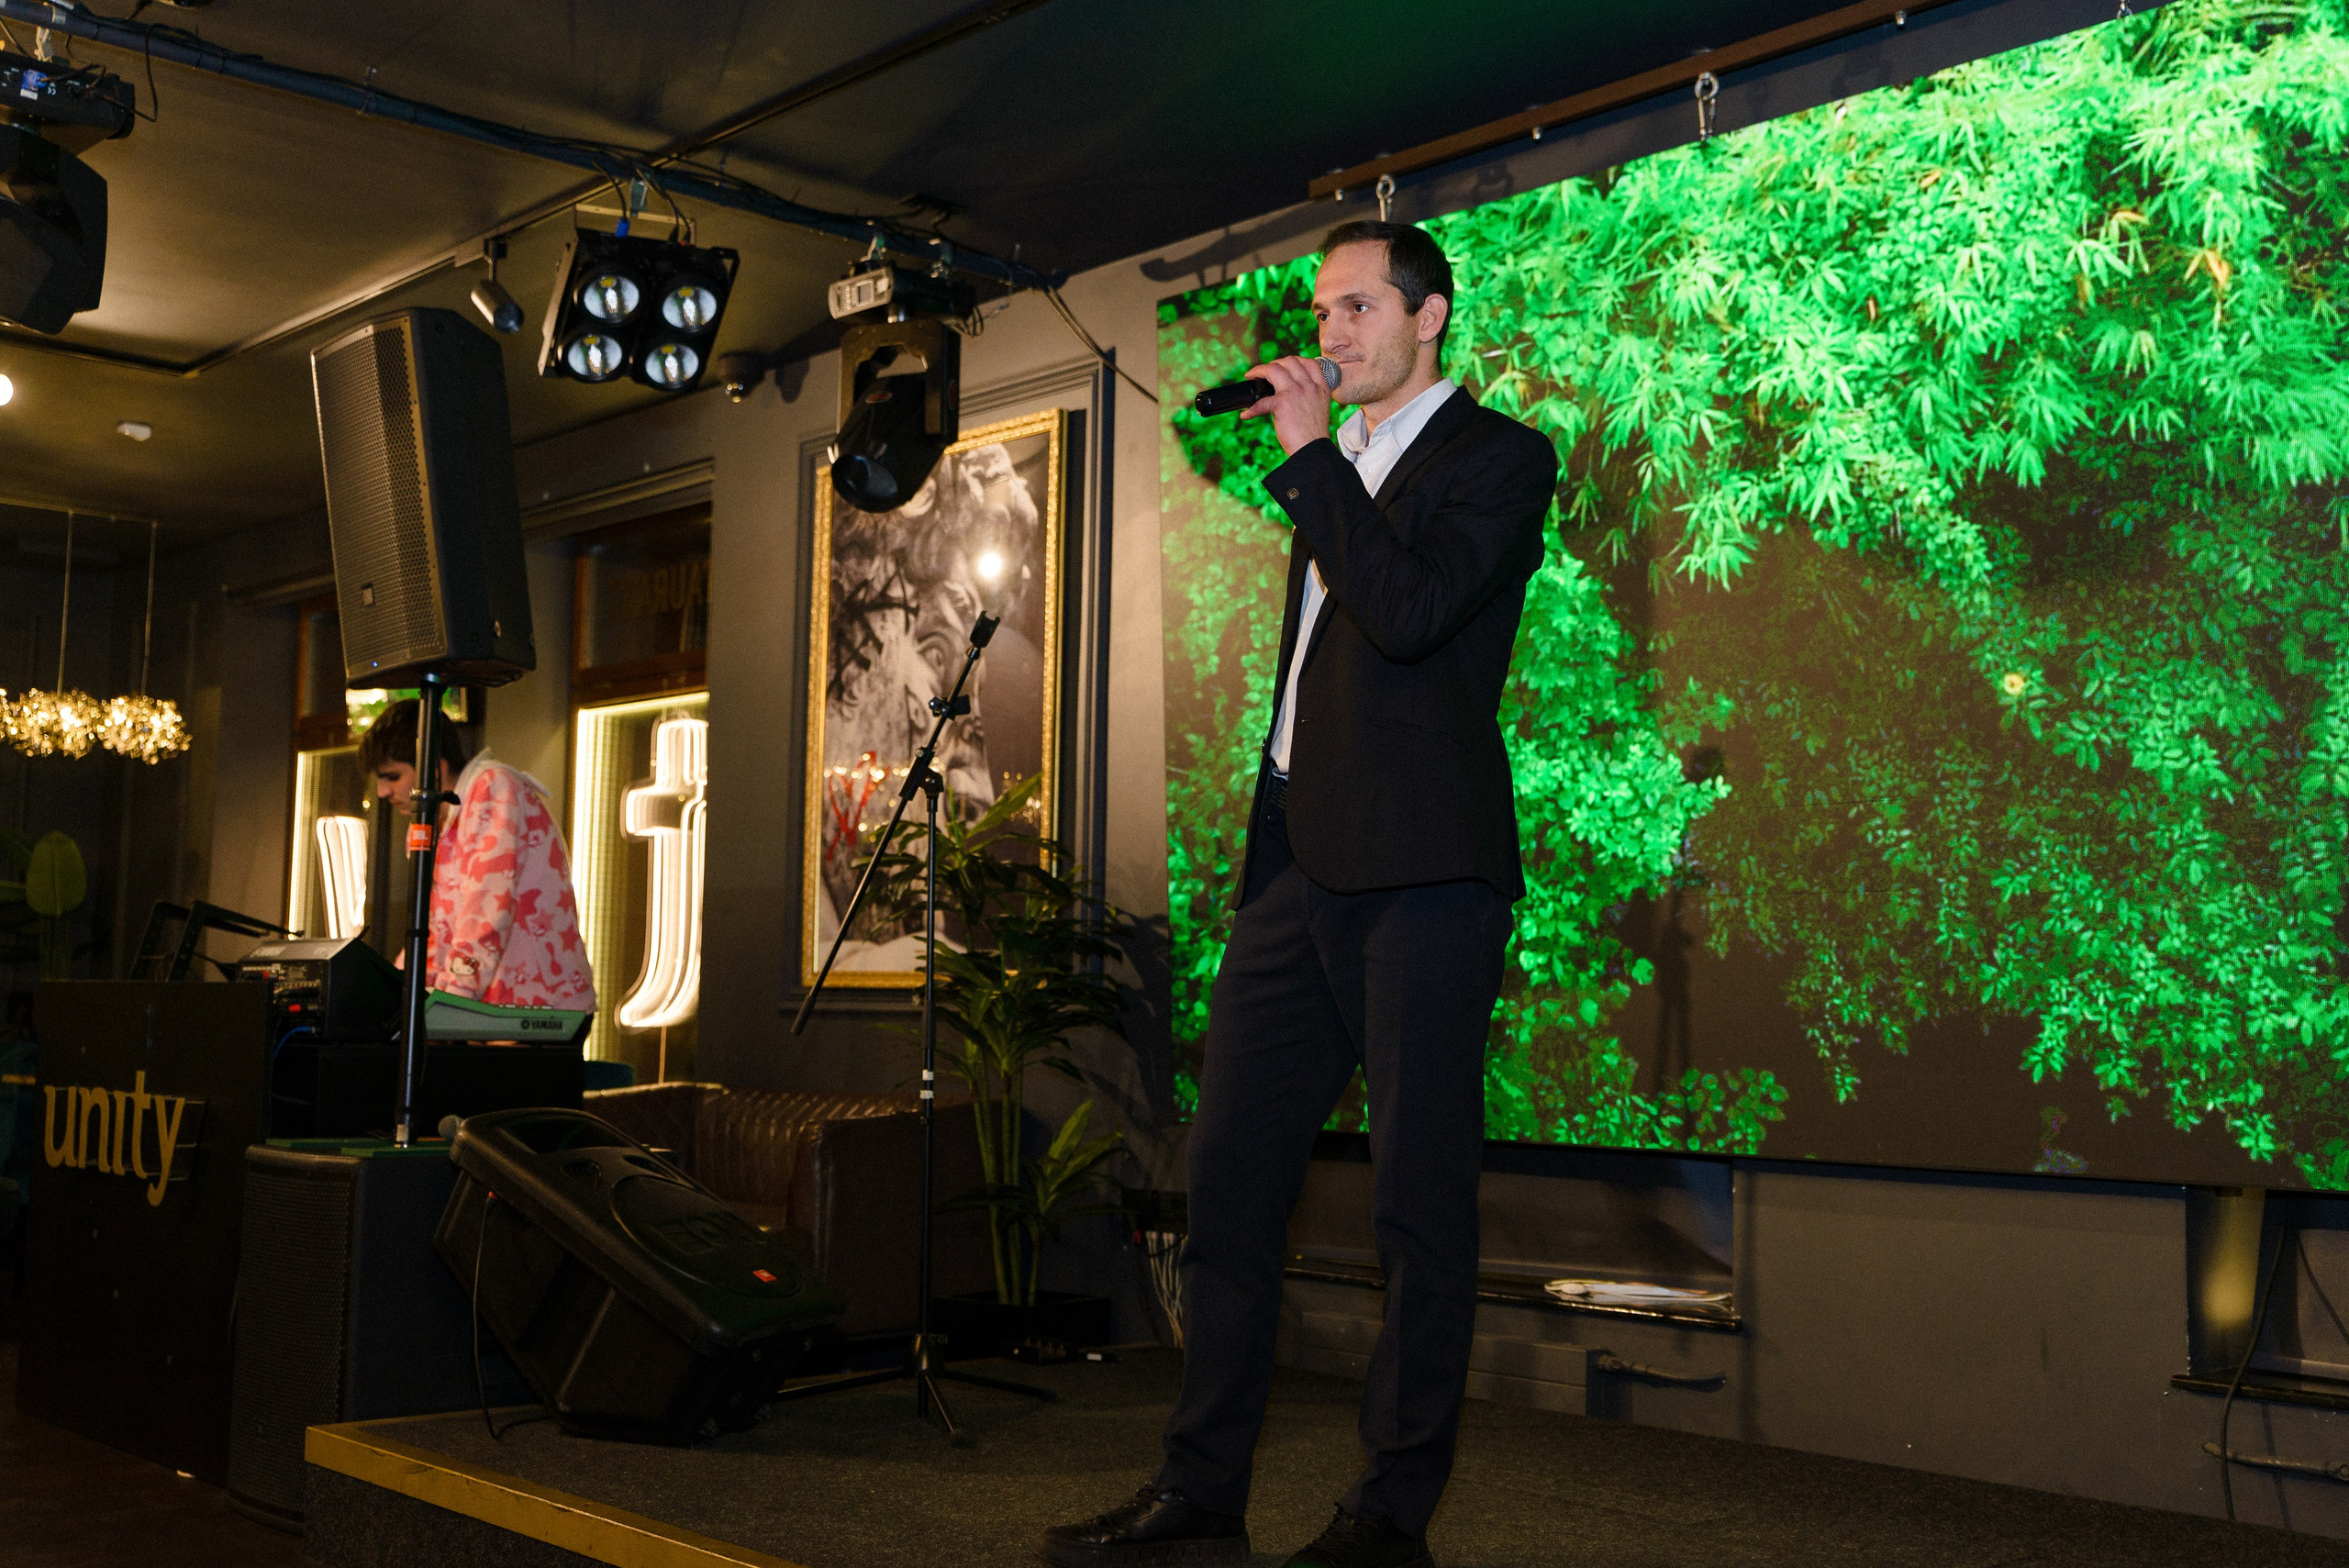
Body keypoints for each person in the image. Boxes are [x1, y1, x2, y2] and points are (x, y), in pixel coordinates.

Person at [1041, 223, 1558, 1568]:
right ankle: (1200, 1490)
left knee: (1415, 1207)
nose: (1329, 332)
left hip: (1425, 875)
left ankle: (1389, 1515)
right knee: (1225, 1186)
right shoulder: (1336, 463)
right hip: (1298, 872)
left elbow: (1408, 614)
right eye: (1322, 310)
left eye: (1358, 307)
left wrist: (1315, 458)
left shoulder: (1498, 459)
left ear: (1429, 318)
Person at [361, 700, 596, 1014]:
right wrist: (390, 996)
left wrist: (449, 1004)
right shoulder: (431, 821)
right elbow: (433, 930)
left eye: (392, 777)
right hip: (495, 1008)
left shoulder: (494, 787)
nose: (382, 792)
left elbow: (485, 912)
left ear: (435, 768)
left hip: (541, 1007)